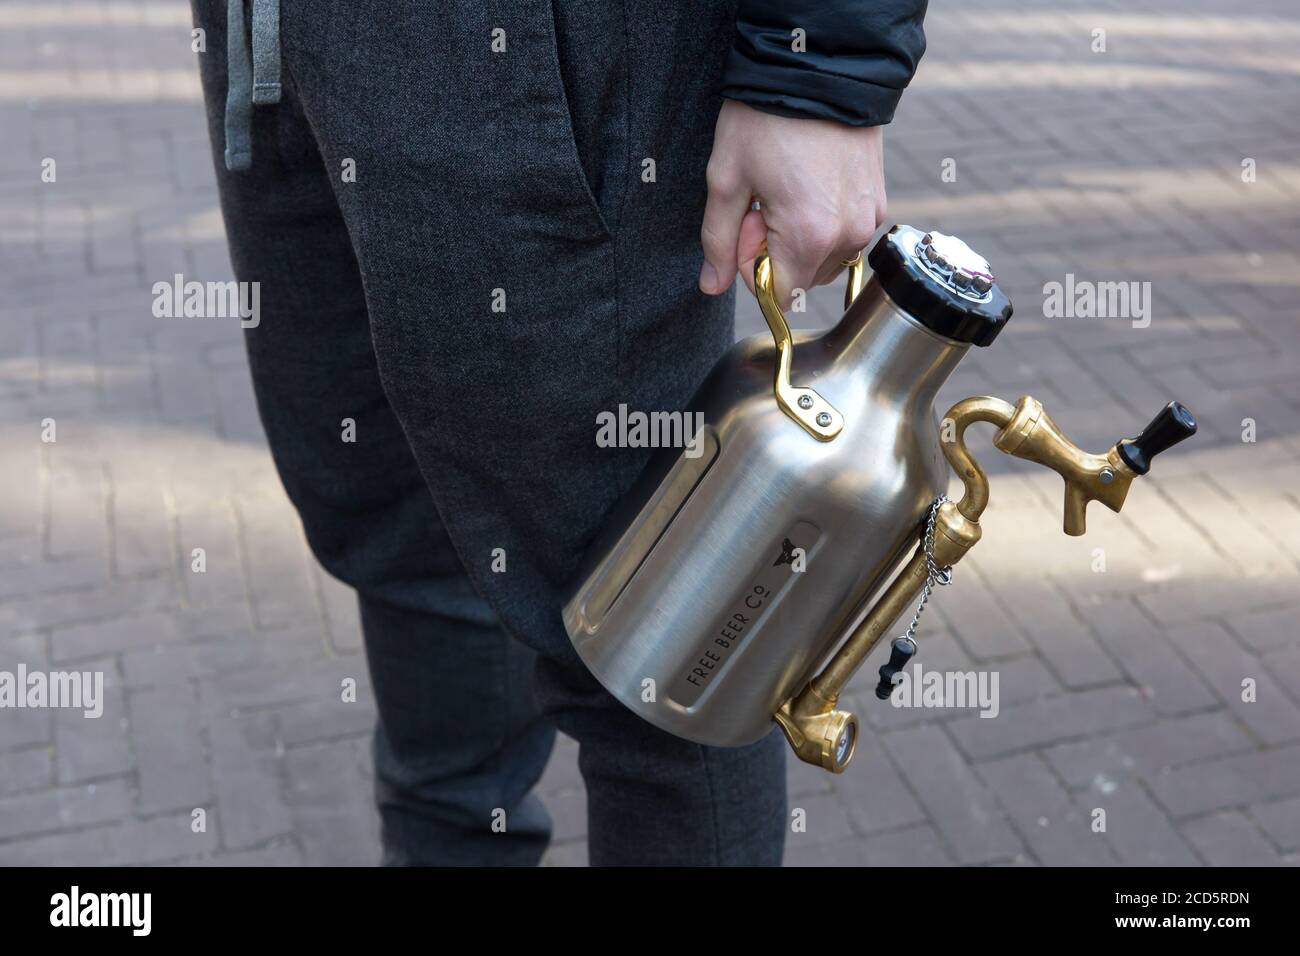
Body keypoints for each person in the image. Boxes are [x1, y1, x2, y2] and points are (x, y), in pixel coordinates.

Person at [191, 0, 928, 865]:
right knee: (406, 534)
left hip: (533, 36)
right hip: (271, 36)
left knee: (664, 649)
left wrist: (823, 69)